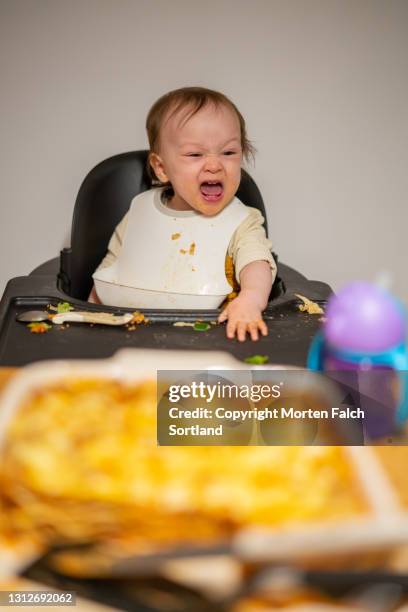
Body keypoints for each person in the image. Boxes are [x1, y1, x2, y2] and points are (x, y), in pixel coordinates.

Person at [89, 87, 276, 341]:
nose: (214, 165)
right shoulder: (139, 211)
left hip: (212, 337)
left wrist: (250, 300)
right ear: (162, 168)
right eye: (195, 154)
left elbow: (257, 264)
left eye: (229, 152)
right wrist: (90, 316)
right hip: (131, 334)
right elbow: (112, 271)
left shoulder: (242, 221)